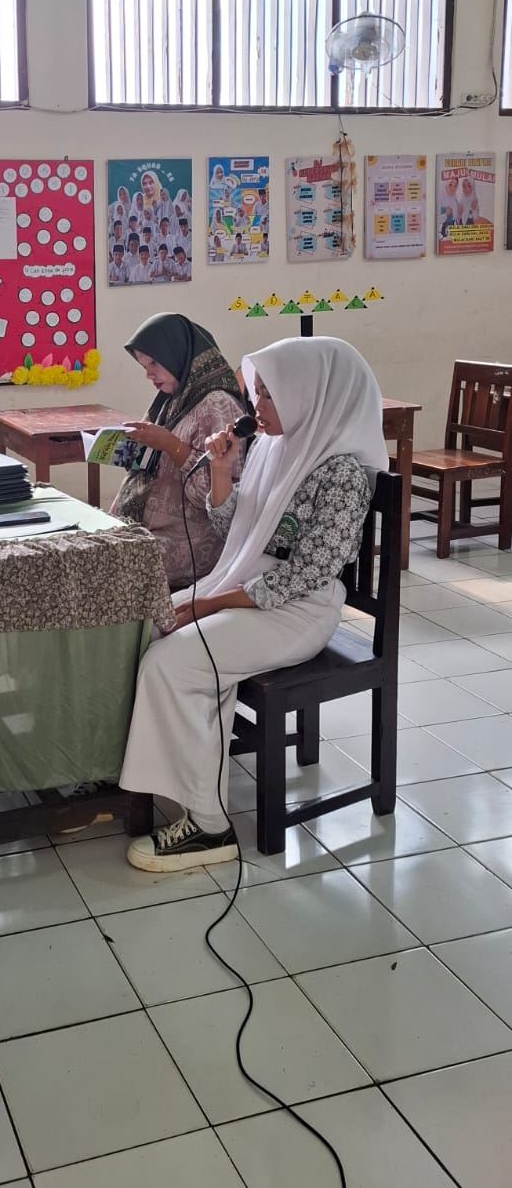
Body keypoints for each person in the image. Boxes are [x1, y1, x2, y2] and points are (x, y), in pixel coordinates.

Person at [120, 336, 387, 872]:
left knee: (176, 662)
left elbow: (306, 574)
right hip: (248, 592)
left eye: (268, 394)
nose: (255, 405)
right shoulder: (275, 447)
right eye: (257, 392)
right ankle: (182, 793)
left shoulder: (340, 474)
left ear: (310, 394)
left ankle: (209, 829)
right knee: (146, 631)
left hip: (297, 610)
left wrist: (207, 605)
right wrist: (222, 471)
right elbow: (236, 529)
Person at [110, 315, 248, 591]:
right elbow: (152, 463)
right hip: (150, 530)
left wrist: (171, 445)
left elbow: (214, 500)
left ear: (178, 355)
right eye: (144, 366)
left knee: (101, 565)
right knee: (82, 546)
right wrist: (127, 449)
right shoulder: (172, 400)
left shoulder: (217, 404)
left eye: (154, 363)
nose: (149, 375)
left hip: (188, 541)